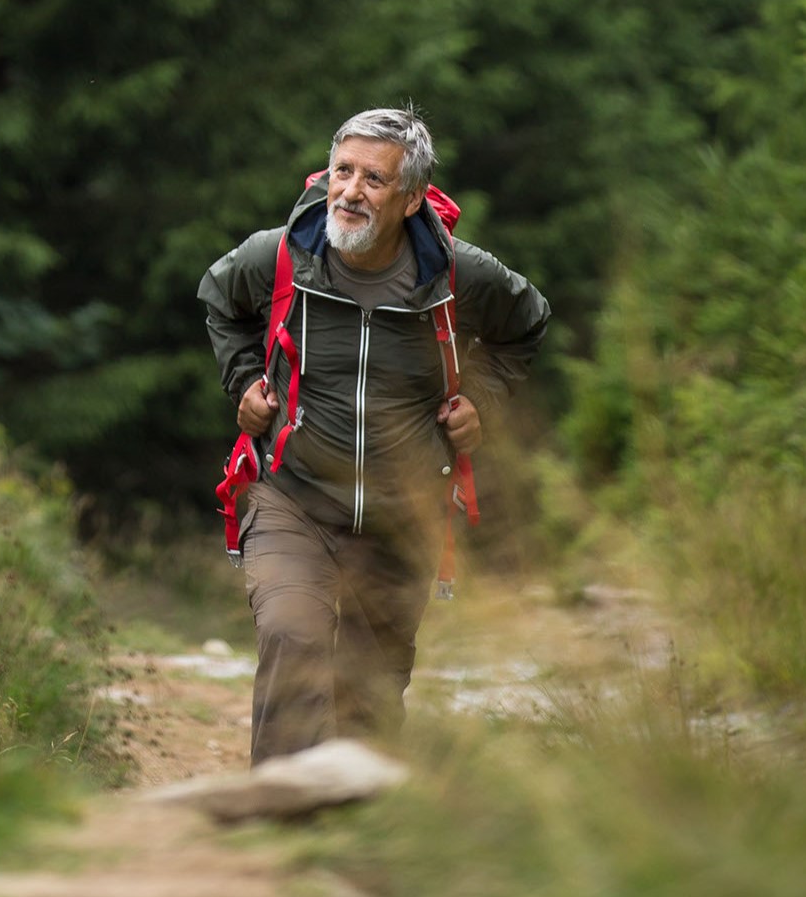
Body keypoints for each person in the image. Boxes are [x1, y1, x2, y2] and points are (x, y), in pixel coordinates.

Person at [198, 107, 550, 764]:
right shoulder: (279, 257)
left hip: (400, 513)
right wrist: (245, 380)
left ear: (412, 197)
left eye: (374, 180)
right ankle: (281, 820)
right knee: (292, 636)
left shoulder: (458, 277)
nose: (351, 192)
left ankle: (358, 834)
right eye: (343, 172)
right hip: (291, 496)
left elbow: (526, 327)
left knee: (372, 691)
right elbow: (219, 299)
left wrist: (484, 401)